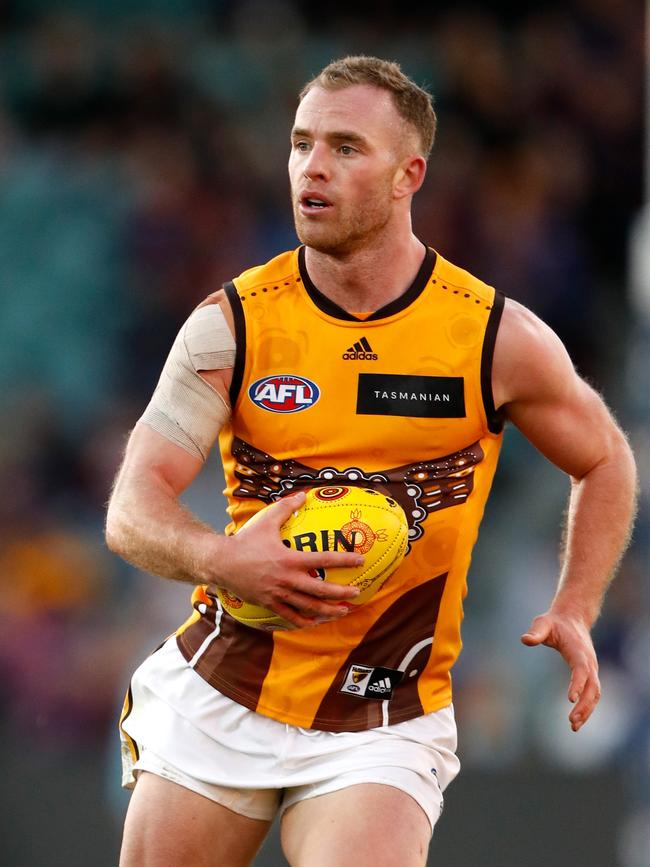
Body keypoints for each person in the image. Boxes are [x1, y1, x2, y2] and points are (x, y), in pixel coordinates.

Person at [105, 56, 637, 867]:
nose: (312, 167)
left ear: (407, 174)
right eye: (300, 143)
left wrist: (575, 604)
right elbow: (131, 506)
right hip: (223, 688)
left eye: (346, 147)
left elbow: (604, 459)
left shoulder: (494, 338)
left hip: (381, 716)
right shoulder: (232, 325)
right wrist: (222, 558)